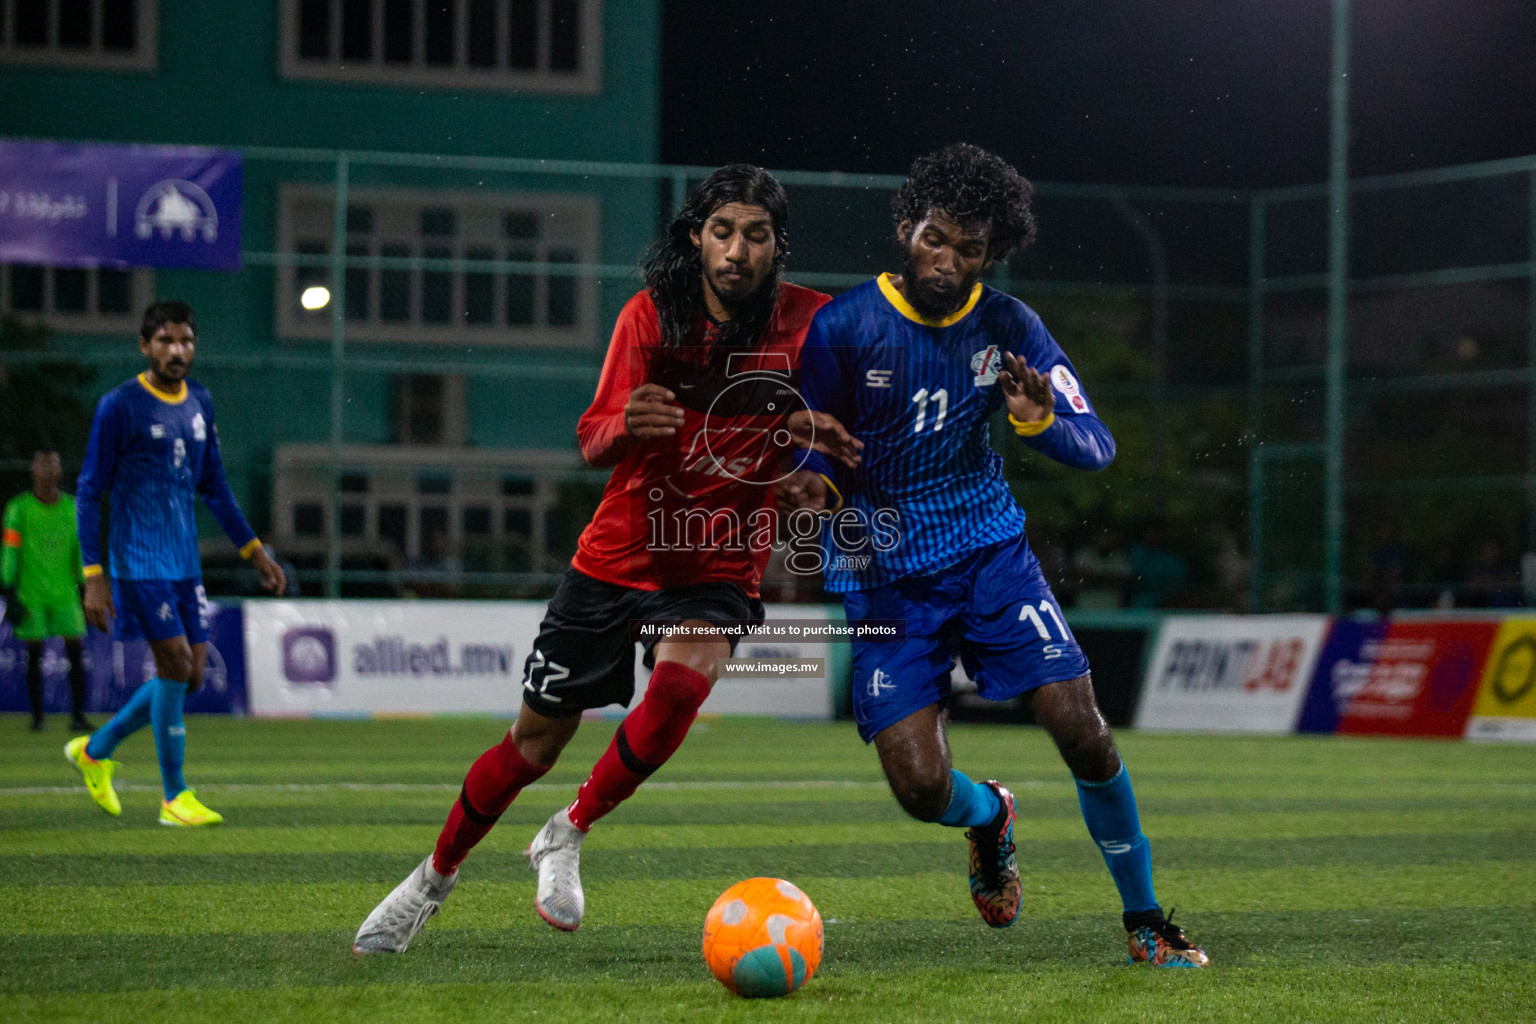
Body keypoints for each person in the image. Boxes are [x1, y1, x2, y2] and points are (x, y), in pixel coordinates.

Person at [353, 164, 859, 953]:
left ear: (777, 247)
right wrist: (627, 422)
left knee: (682, 686)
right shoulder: (650, 316)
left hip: (718, 561)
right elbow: (592, 439)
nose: (737, 250)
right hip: (618, 554)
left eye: (755, 235)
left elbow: (842, 427)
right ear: (696, 237)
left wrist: (817, 483)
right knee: (531, 747)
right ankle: (432, 879)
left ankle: (569, 828)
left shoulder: (815, 324)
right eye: (722, 231)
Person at [777, 143, 1208, 967]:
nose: (947, 260)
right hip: (884, 578)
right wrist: (811, 487)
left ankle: (1146, 919)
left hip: (988, 555)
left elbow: (1098, 446)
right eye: (935, 238)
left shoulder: (1011, 328)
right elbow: (816, 452)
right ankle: (990, 818)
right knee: (919, 789)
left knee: (1083, 731)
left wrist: (1039, 421)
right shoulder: (842, 327)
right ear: (907, 226)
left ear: (991, 252)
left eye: (969, 248)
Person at [65, 300, 286, 825]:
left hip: (184, 561)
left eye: (185, 340)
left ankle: (95, 750)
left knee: (189, 675)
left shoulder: (200, 403)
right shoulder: (119, 406)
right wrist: (93, 576)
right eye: (165, 341)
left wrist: (255, 552)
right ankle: (173, 797)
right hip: (138, 563)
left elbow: (214, 486)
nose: (177, 351)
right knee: (177, 665)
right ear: (145, 346)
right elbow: (89, 490)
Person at [2, 448, 92, 731]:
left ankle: (78, 716)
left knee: (76, 652)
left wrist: (87, 588)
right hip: (32, 594)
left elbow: (81, 553)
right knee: (34, 655)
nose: (47, 470)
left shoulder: (72, 509)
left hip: (65, 593)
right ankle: (38, 718)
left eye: (52, 465)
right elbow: (10, 551)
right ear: (33, 470)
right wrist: (8, 589)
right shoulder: (18, 509)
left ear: (60, 472)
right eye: (42, 465)